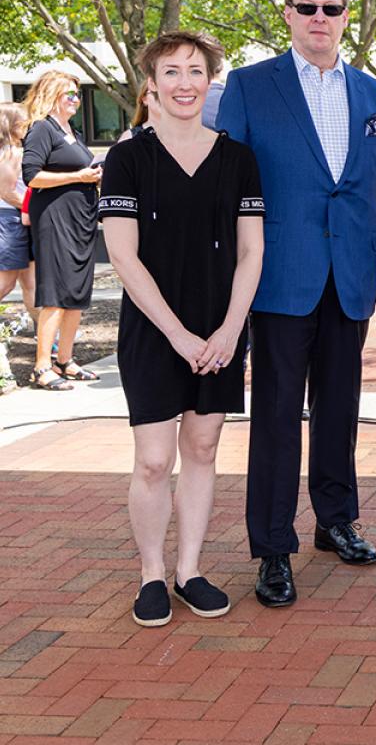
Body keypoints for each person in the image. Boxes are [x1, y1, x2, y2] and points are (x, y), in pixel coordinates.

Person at [218, 0, 376, 608]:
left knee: (339, 411)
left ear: (346, 16)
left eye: (331, 8)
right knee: (274, 418)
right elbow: (230, 187)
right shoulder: (247, 87)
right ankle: (273, 547)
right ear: (289, 15)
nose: (319, 18)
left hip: (351, 277)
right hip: (278, 279)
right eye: (307, 7)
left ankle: (335, 519)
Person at [100, 31, 265, 627]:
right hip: (153, 329)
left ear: (210, 81)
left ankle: (189, 569)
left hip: (219, 329)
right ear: (152, 85)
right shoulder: (128, 158)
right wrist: (178, 335)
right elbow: (123, 257)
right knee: (151, 459)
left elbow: (252, 254)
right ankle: (150, 574)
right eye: (171, 72)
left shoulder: (238, 159)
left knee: (202, 448)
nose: (185, 82)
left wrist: (228, 331)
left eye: (196, 71)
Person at [21, 70, 100, 391]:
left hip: (80, 221)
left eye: (78, 95)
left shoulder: (72, 131)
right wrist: (78, 177)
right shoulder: (42, 128)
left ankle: (65, 360)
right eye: (70, 94)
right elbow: (32, 177)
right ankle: (42, 367)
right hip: (55, 221)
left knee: (75, 295)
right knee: (55, 294)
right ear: (51, 94)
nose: (76, 100)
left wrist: (92, 177)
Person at [0, 104, 38, 343]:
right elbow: (6, 192)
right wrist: (35, 208)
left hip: (19, 219)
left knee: (31, 282)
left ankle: (44, 335)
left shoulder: (15, 149)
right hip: (10, 220)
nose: (28, 128)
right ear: (11, 126)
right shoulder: (11, 152)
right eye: (24, 124)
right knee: (6, 283)